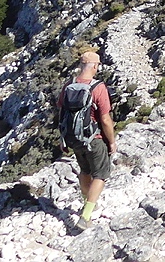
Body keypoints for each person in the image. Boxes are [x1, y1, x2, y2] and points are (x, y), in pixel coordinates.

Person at [57, 49, 115, 229]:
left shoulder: (69, 85)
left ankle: (87, 202)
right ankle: (86, 216)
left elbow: (61, 112)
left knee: (84, 170)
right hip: (94, 138)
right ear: (95, 66)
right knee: (100, 175)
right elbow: (105, 119)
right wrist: (111, 141)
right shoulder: (97, 87)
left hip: (73, 138)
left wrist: (62, 137)